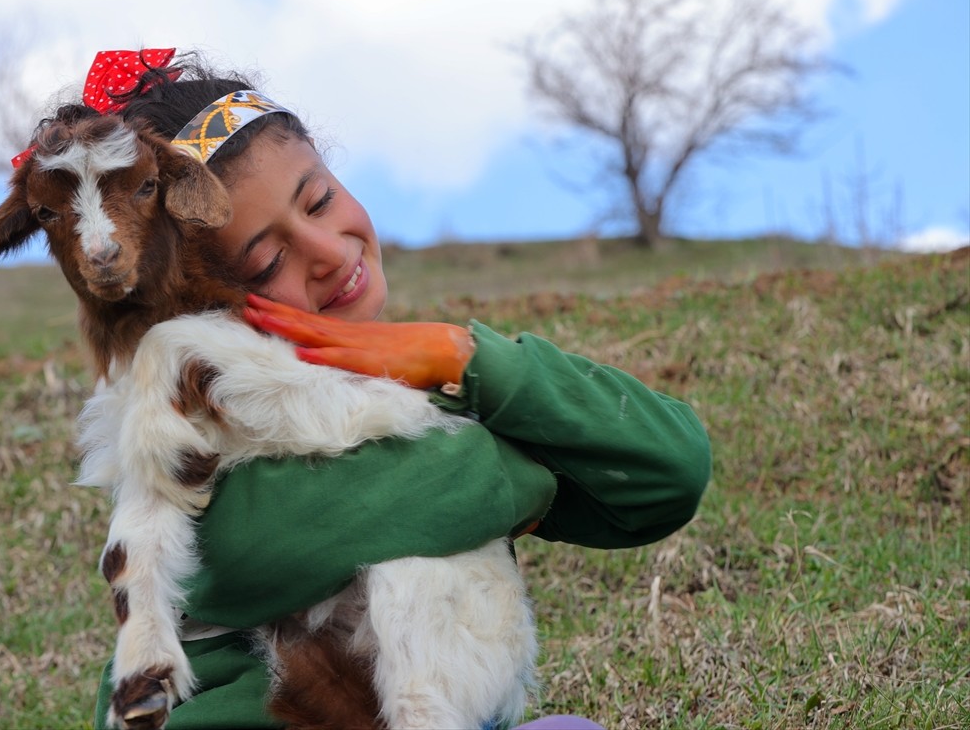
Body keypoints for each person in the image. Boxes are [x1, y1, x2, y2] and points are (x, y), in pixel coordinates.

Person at [63, 49, 711, 730]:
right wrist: (521, 470)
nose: (329, 250)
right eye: (269, 260)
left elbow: (668, 470)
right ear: (211, 312)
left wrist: (461, 356)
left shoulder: (418, 391)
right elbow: (255, 551)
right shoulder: (196, 450)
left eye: (320, 198)